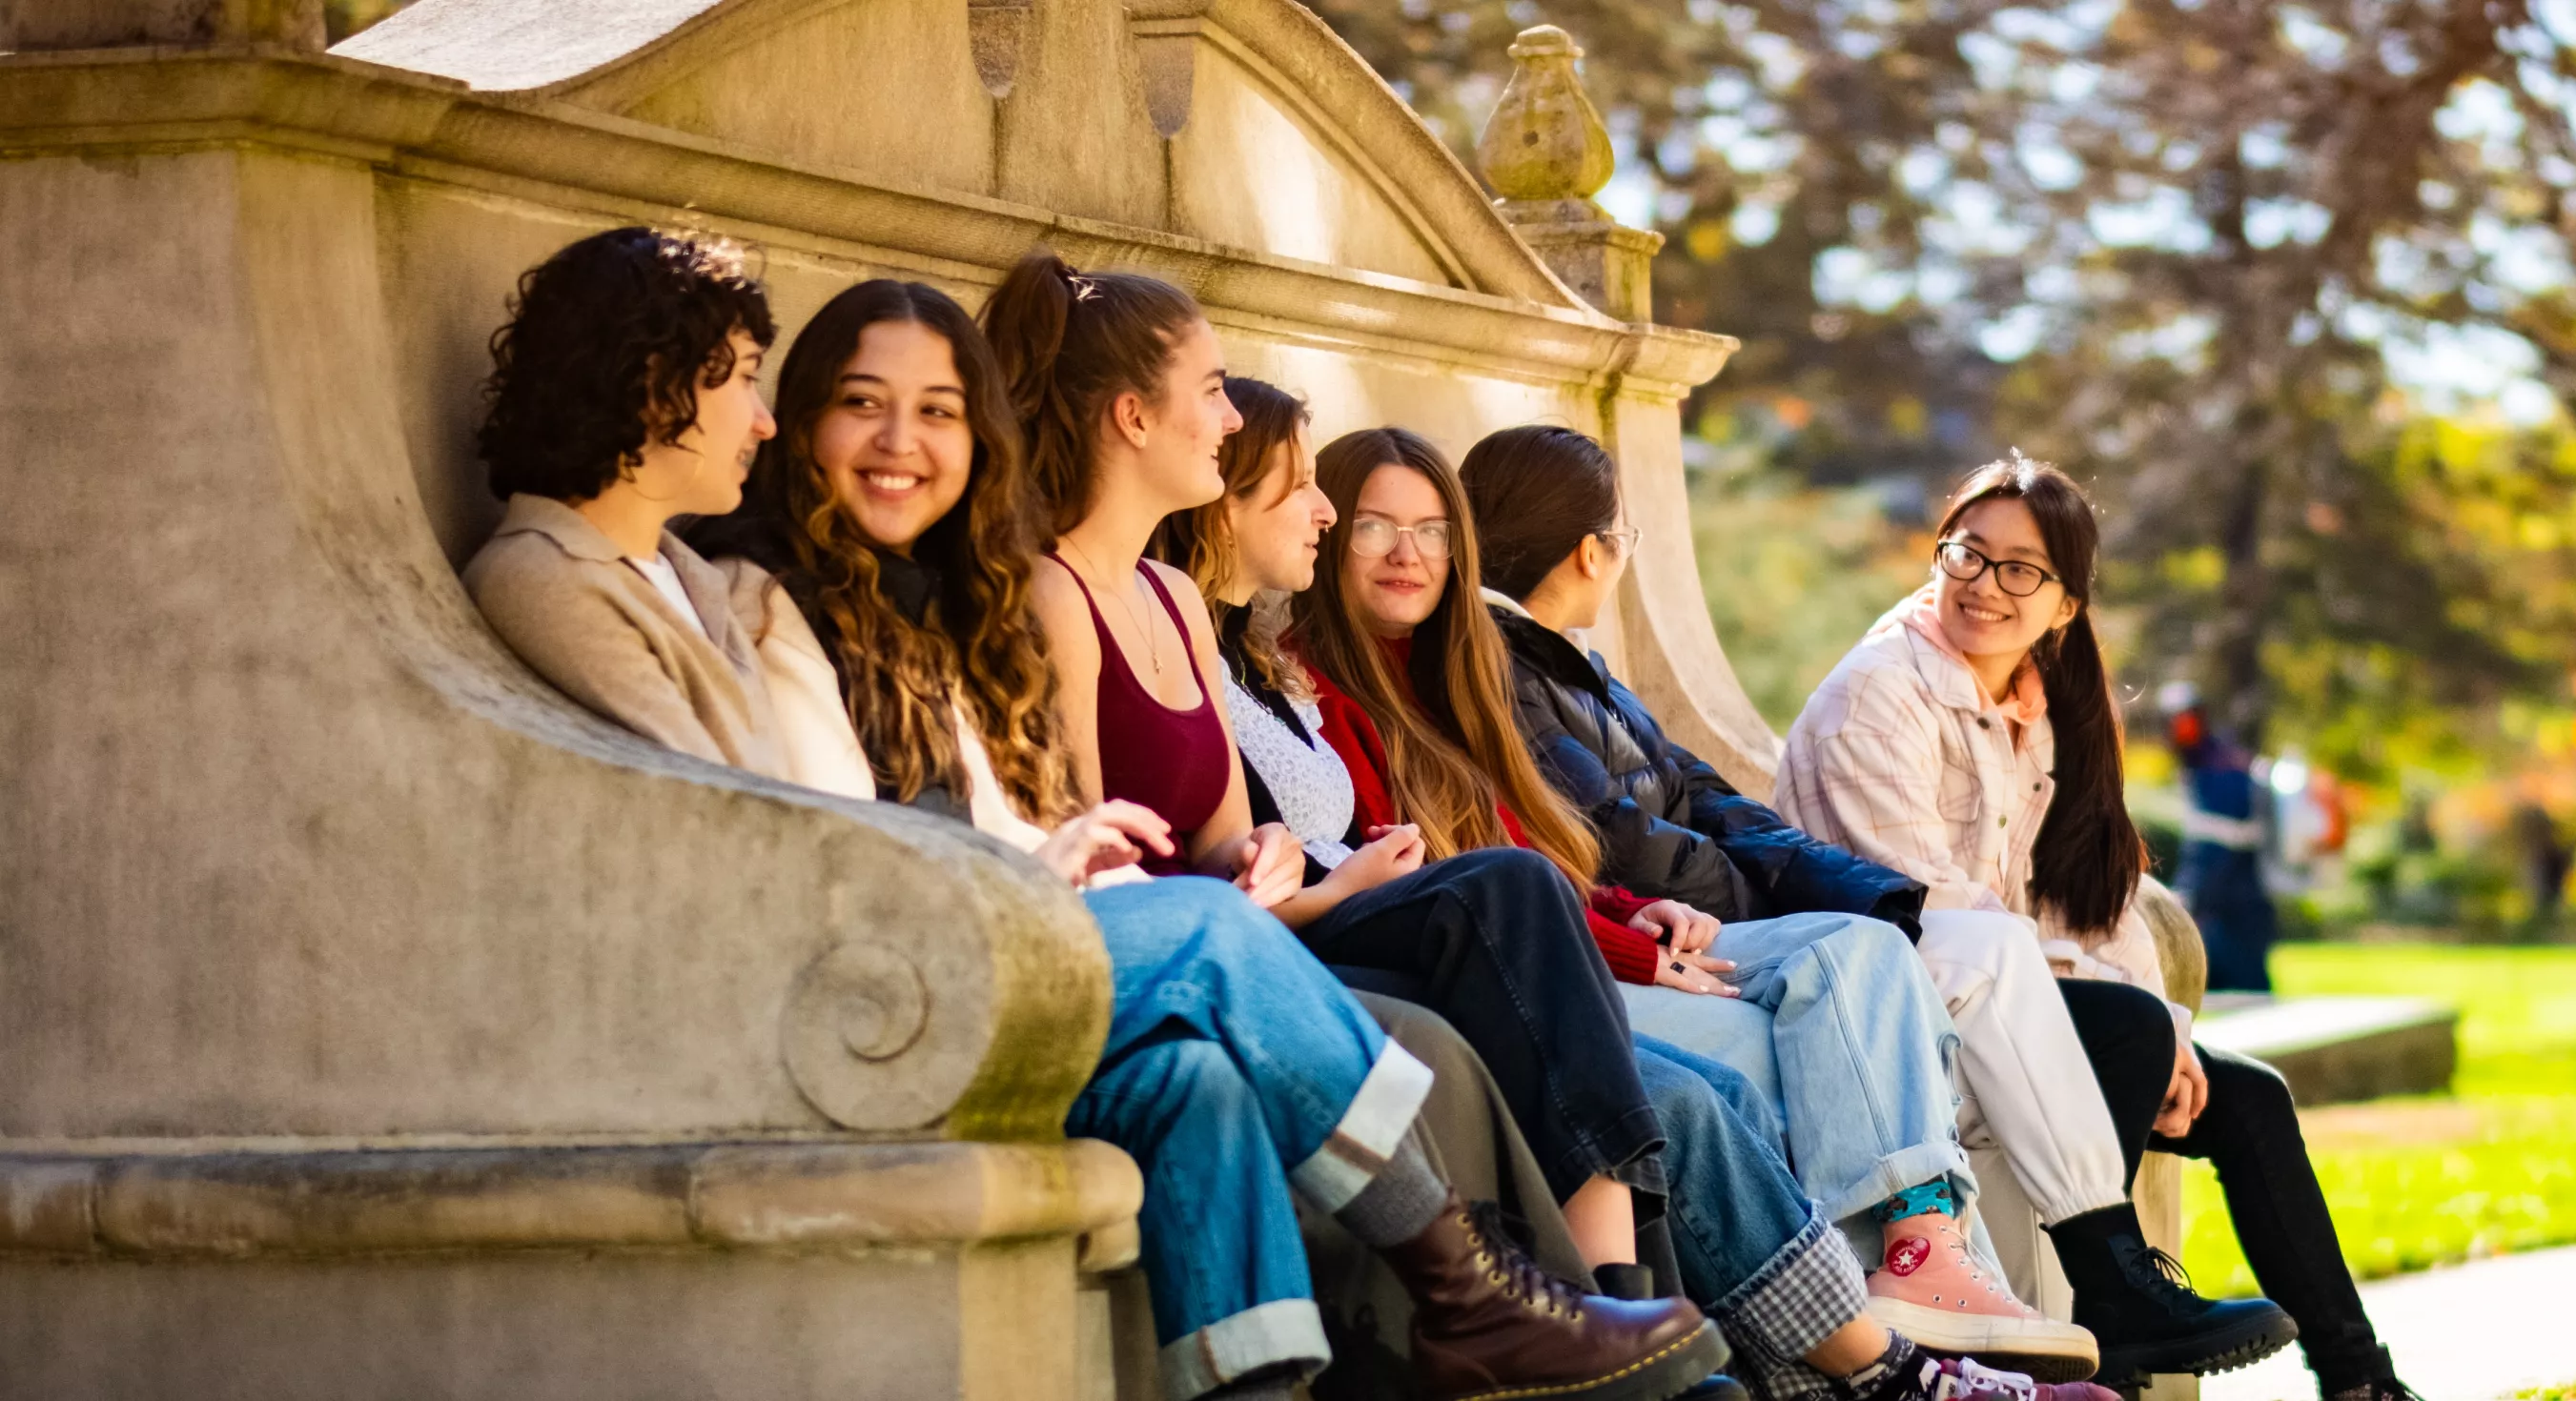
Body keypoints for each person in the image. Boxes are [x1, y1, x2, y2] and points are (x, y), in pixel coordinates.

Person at [457, 242, 1715, 1401]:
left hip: (942, 938)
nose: (764, 412)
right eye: (747, 379)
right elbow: (746, 828)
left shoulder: (710, 582)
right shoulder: (550, 572)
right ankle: (1466, 1288)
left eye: (941, 411)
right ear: (644, 380)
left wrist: (1051, 853)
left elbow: (871, 808)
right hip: (845, 977)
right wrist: (1033, 865)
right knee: (1219, 939)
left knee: (1198, 1085)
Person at [1274, 421, 2112, 1401]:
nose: (1409, 554)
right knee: (1772, 1066)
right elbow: (1478, 888)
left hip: (1618, 931)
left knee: (1872, 951)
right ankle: (1885, 1370)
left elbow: (1544, 842)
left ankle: (1928, 1272)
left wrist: (1642, 911)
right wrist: (1630, 939)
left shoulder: (1452, 668)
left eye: (1430, 530)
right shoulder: (1345, 686)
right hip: (1510, 972)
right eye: (1376, 527)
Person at [1781, 458, 2419, 1401]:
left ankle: (2361, 1380)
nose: (1983, 585)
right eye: (1968, 553)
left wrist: (2177, 1034)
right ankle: (2107, 1336)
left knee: (2246, 1097)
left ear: (2065, 603)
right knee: (2118, 1035)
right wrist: (2140, 1025)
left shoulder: (2043, 708)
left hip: (1996, 1005)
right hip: (1891, 1021)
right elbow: (1926, 905)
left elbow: (2095, 898)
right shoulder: (1879, 693)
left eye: (2019, 570)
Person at [2159, 682, 2278, 993]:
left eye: (2185, 719)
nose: (2178, 728)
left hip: (2235, 912)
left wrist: (2190, 897)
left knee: (2248, 1003)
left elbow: (2216, 852)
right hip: (2233, 910)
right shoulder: (2204, 768)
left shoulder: (2220, 771)